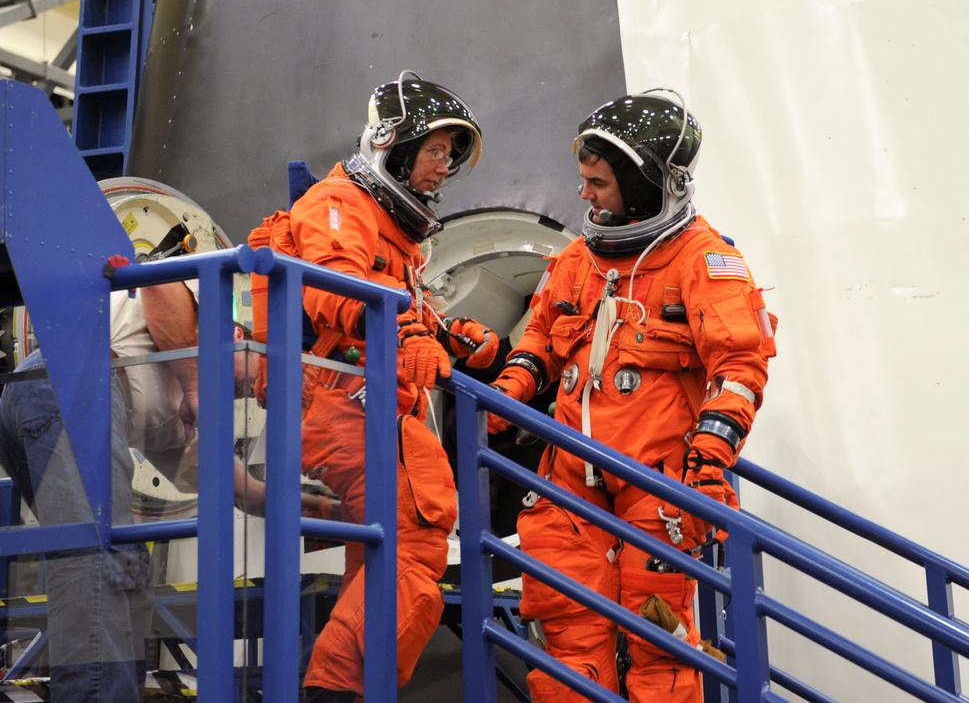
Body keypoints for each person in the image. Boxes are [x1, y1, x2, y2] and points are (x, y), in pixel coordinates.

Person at [488, 91, 777, 701]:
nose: (584, 194)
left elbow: (740, 365)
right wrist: (508, 392)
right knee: (567, 636)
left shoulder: (706, 261)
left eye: (597, 182)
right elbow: (539, 336)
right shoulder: (578, 260)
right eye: (584, 180)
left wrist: (710, 456)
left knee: (659, 641)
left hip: (660, 486)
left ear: (646, 186)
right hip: (570, 482)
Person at [284, 72, 501, 702]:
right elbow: (334, 288)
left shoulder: (389, 230)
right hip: (347, 404)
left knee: (383, 560)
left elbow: (389, 301)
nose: (444, 166)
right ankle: (336, 690)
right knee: (416, 545)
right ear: (393, 145)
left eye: (451, 156)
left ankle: (349, 688)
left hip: (365, 405)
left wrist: (451, 332)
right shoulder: (338, 205)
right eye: (435, 150)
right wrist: (407, 335)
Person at [0, 278, 311, 701]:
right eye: (254, 382)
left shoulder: (171, 417)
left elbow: (235, 488)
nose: (250, 395)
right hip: (72, 379)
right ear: (238, 339)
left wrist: (314, 508)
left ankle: (115, 690)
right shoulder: (212, 317)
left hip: (38, 396)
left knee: (129, 564)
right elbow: (160, 287)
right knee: (97, 556)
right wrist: (197, 386)